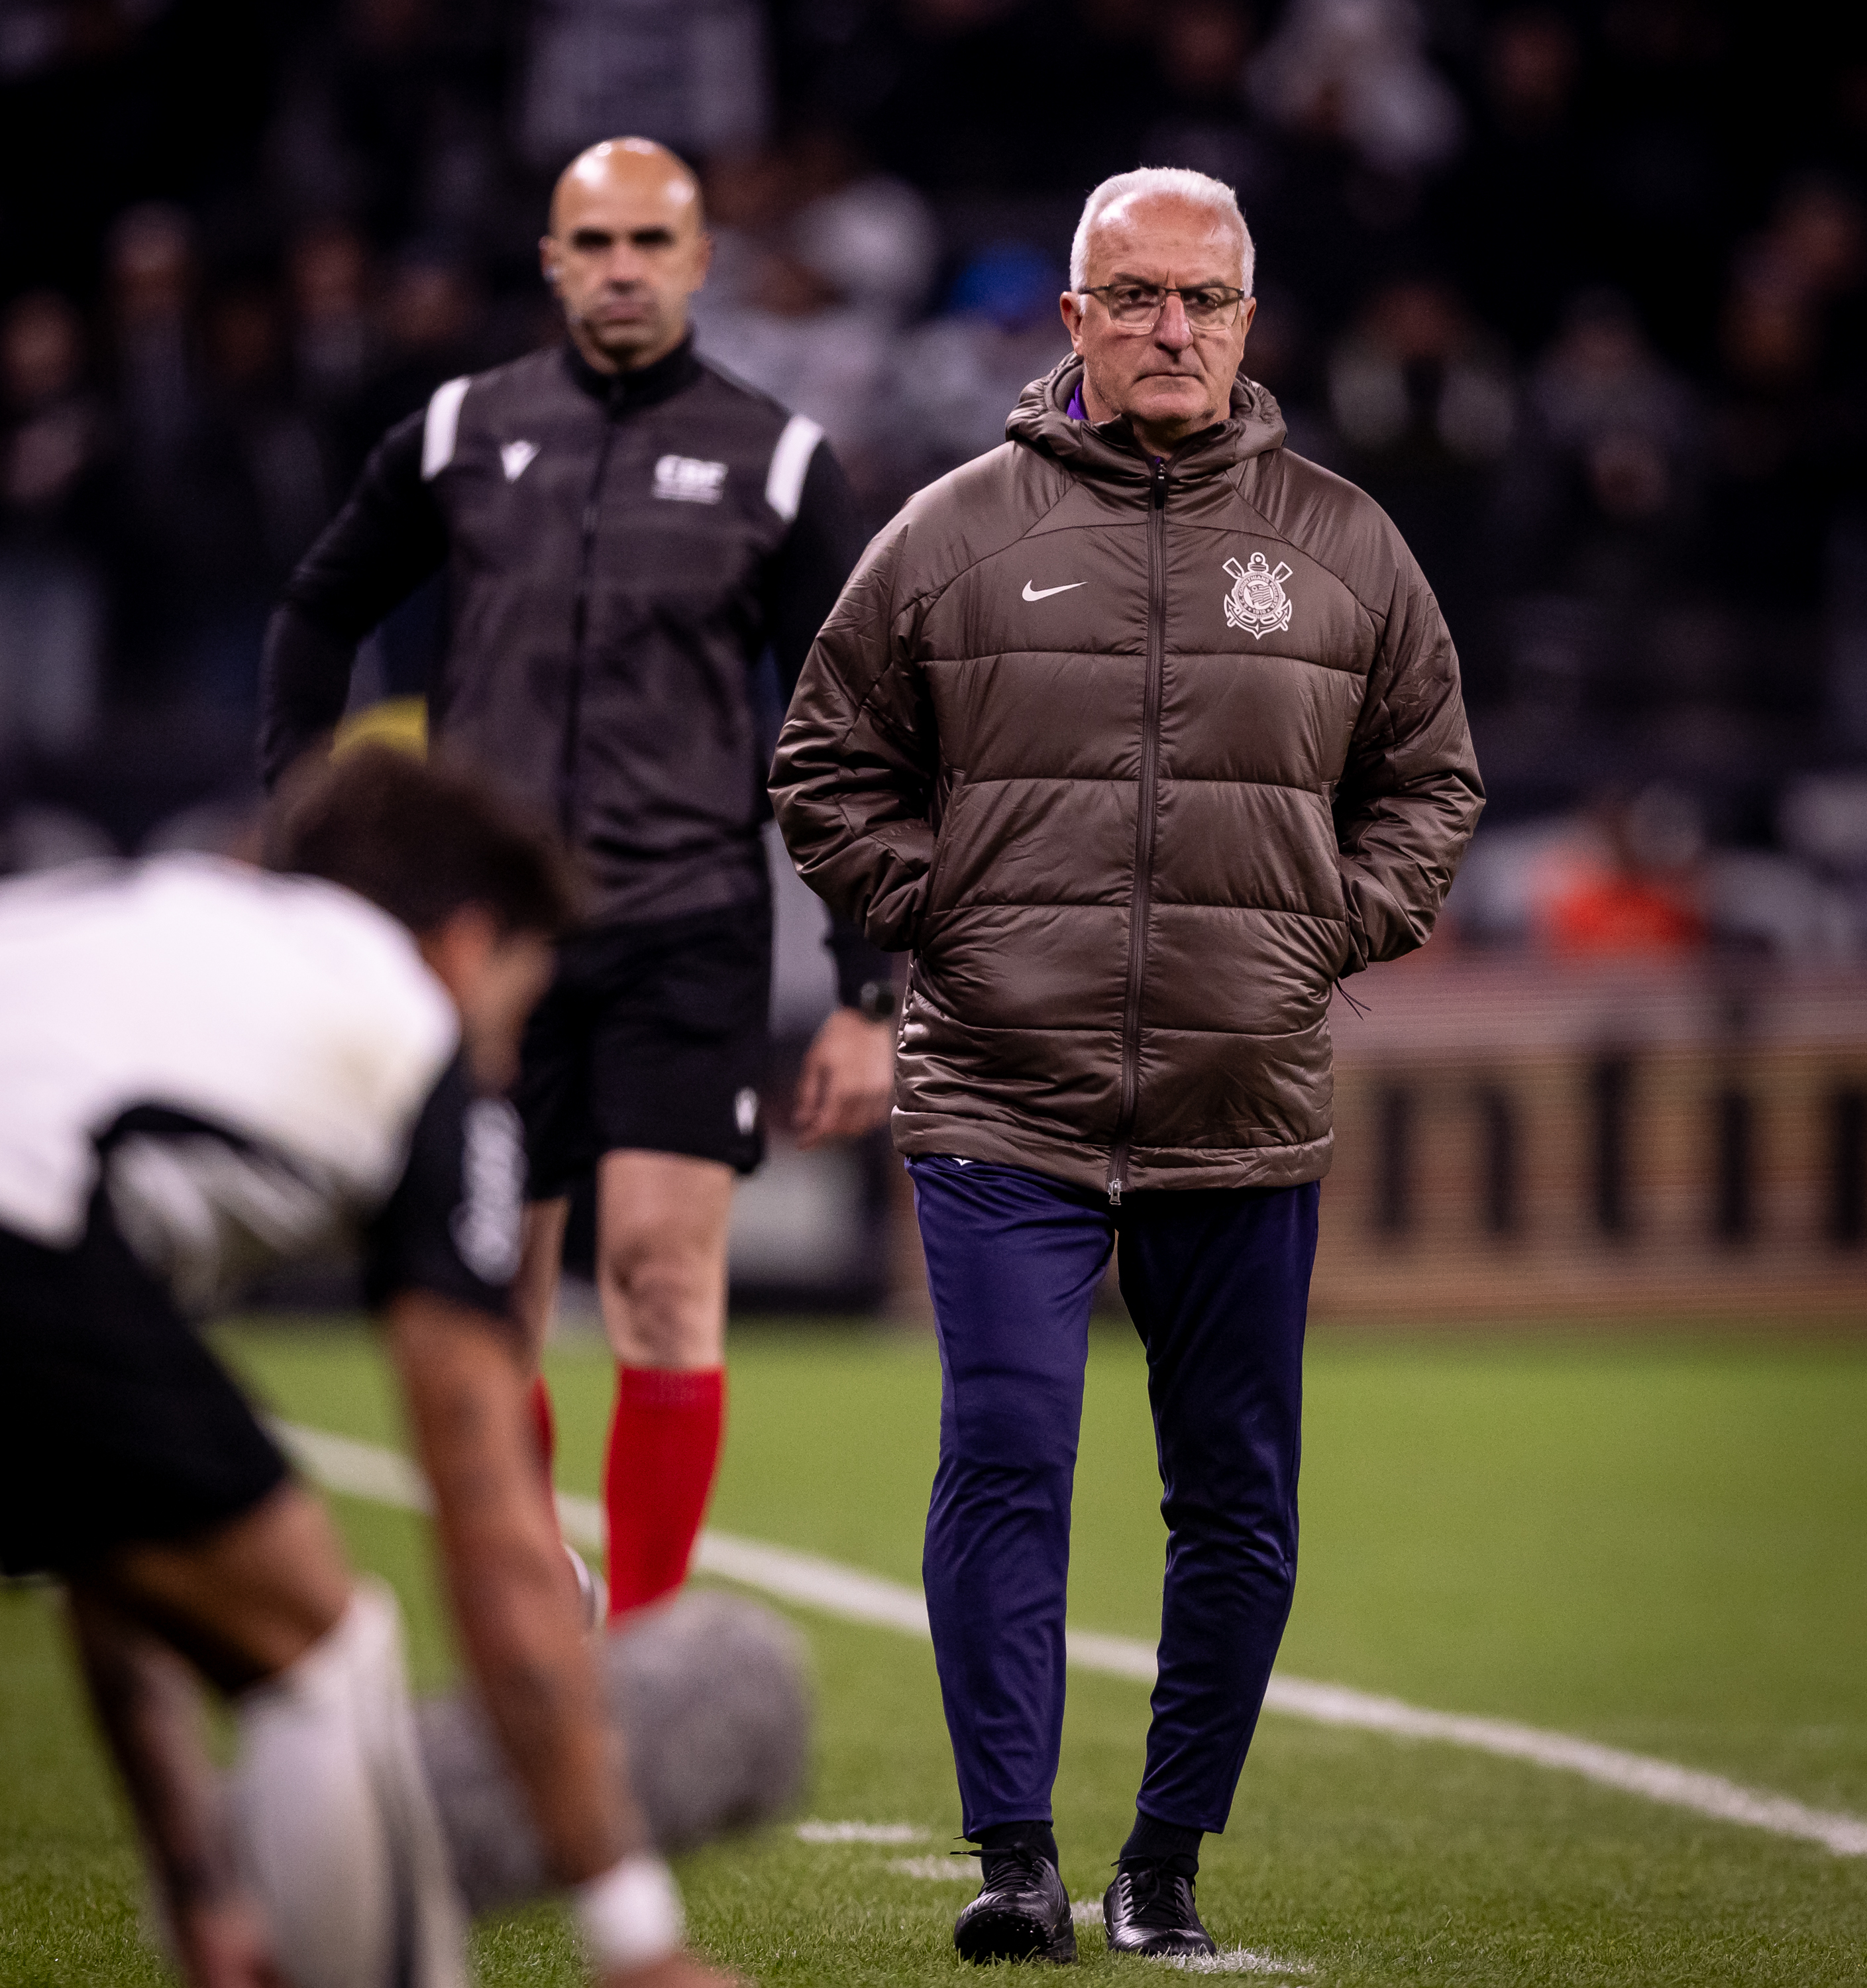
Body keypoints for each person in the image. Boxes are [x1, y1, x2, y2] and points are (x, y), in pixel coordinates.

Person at [771, 165, 1483, 1964]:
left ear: (1250, 322)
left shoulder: (1345, 545)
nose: (1175, 329)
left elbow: (1434, 780)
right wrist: (950, 913)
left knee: (1233, 1498)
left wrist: (1329, 924)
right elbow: (823, 765)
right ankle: (1015, 1854)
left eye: (1209, 300)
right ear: (1073, 316)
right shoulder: (944, 532)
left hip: (1242, 1100)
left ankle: (1164, 1859)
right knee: (1006, 1446)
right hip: (1000, 1088)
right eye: (1140, 295)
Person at [259, 137, 897, 1623]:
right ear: (551, 260)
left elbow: (848, 726)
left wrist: (866, 985)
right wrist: (298, 818)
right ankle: (548, 1591)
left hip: (688, 926)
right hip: (500, 949)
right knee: (501, 1302)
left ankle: (651, 1644)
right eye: (590, 241)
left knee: (662, 1280)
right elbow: (318, 608)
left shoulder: (780, 460)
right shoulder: (459, 433)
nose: (619, 268)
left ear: (695, 261)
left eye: (647, 243)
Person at [0, 748, 731, 1988]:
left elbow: (117, 1527)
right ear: (461, 943)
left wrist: (195, 1884)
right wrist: (633, 1935)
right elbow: (497, 1540)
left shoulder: (134, 937)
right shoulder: (405, 1030)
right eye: (519, 999)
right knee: (328, 1666)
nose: (506, 1054)